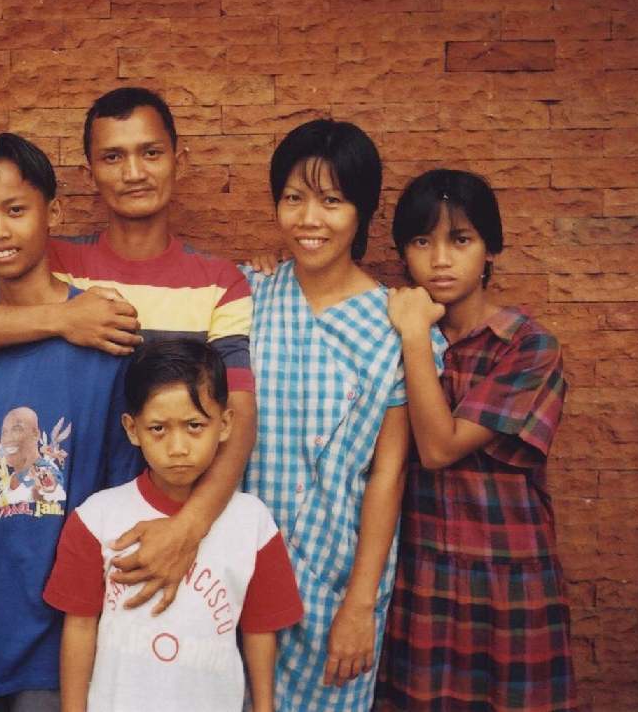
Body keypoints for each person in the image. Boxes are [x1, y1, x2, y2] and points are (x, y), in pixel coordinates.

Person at [0, 87, 257, 613]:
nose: (133, 172)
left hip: (178, 544)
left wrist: (187, 529)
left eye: (150, 152)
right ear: (91, 170)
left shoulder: (219, 283)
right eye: (113, 157)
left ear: (177, 159)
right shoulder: (46, 257)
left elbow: (237, 416)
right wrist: (62, 317)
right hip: (59, 563)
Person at [0, 134, 143, 710]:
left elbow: (121, 501)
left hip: (61, 631)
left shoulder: (102, 336)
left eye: (15, 210)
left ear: (53, 213)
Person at [241, 120, 434, 711]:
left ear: (362, 211)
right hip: (235, 573)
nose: (309, 220)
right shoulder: (246, 299)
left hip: (334, 579)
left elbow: (387, 475)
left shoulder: (393, 325)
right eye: (294, 199)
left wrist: (359, 604)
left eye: (332, 201)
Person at [376, 169, 577, 711]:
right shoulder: (386, 329)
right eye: (422, 241)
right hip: (424, 573)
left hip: (506, 573)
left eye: (460, 240)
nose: (440, 259)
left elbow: (440, 448)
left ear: (491, 250)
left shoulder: (529, 346)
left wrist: (416, 335)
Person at [43, 339, 304, 712]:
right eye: (158, 429)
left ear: (226, 423)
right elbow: (80, 627)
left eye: (195, 425)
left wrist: (264, 707)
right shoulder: (96, 519)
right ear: (132, 430)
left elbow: (260, 630)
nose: (178, 447)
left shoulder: (254, 524)